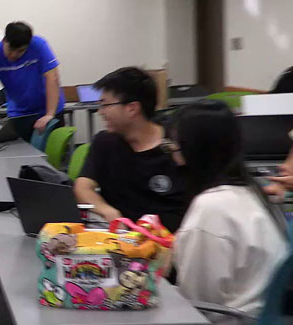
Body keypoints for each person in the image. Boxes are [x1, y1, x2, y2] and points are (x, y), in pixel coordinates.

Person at [170, 100, 289, 315]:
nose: (174, 159)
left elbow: (198, 300)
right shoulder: (255, 193)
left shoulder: (211, 208)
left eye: (176, 148)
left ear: (195, 151)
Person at [73, 67, 189, 231]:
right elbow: (83, 186)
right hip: (121, 242)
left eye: (105, 105)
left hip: (169, 243)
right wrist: (107, 211)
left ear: (132, 108)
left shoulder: (177, 145)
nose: (100, 112)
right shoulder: (105, 143)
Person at [0, 21, 64, 142]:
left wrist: (49, 114)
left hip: (49, 110)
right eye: (11, 50)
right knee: (19, 155)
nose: (14, 55)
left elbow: (52, 78)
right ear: (4, 41)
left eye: (20, 51)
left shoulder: (39, 45)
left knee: (51, 156)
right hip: (20, 114)